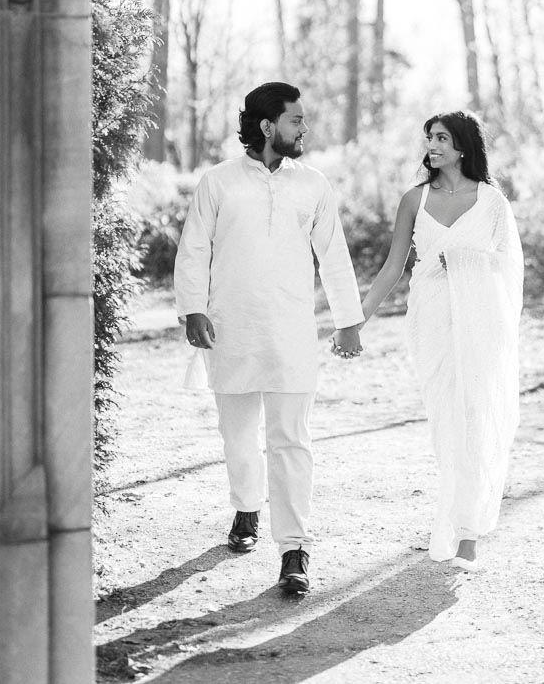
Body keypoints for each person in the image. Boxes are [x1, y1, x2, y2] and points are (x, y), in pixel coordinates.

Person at [174, 82, 364, 596]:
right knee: (237, 438)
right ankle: (245, 506)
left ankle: (294, 549)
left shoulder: (313, 184)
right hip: (230, 328)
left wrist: (349, 319)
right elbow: (193, 249)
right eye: (295, 120)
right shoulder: (218, 182)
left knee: (291, 442)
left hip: (291, 332)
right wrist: (192, 308)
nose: (304, 128)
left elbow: (335, 255)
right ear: (267, 126)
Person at [360, 110, 523, 571]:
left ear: (464, 146)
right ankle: (454, 521)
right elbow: (393, 267)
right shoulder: (414, 199)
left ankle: (468, 535)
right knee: (447, 422)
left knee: (474, 414)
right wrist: (357, 319)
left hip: (481, 321)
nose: (432, 145)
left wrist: (464, 259)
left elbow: (508, 268)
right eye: (429, 137)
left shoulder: (492, 203)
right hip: (430, 317)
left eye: (442, 138)